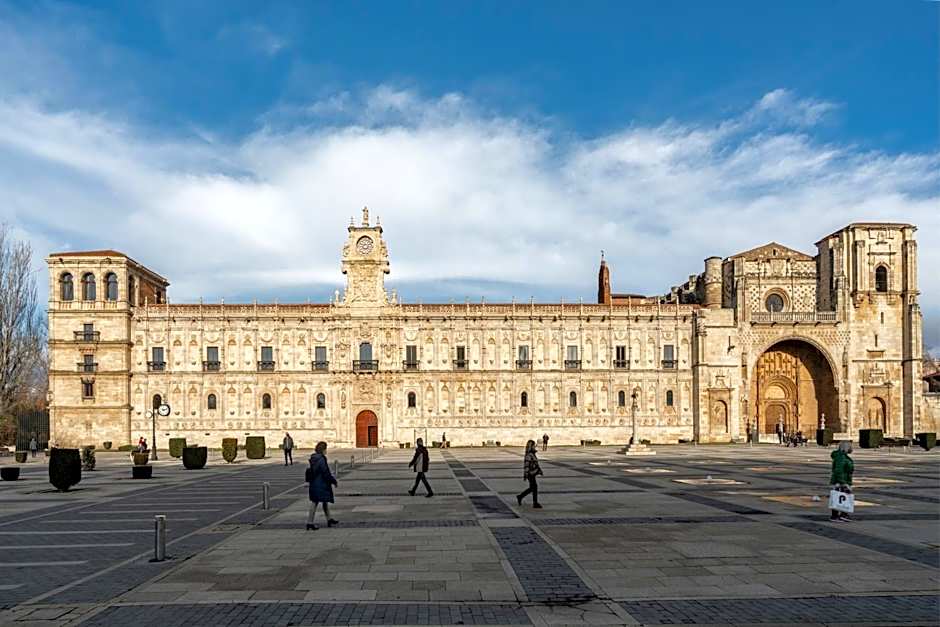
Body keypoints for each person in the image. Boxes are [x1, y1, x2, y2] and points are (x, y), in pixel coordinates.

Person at [306, 441, 338, 530]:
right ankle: (310, 522)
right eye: (325, 449)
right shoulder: (321, 459)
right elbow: (325, 472)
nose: (326, 451)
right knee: (315, 502)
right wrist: (333, 481)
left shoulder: (314, 457)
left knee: (324, 501)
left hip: (315, 482)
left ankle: (329, 519)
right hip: (320, 483)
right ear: (323, 449)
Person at [829, 440, 855, 522]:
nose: (852, 448)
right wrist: (843, 483)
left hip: (842, 480)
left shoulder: (841, 456)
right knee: (843, 498)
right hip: (841, 481)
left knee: (838, 498)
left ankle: (837, 516)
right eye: (850, 447)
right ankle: (842, 515)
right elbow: (838, 471)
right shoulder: (841, 457)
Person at [516, 440, 543, 509]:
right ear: (531, 446)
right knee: (534, 487)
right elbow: (526, 465)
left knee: (533, 488)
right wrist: (526, 474)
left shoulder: (532, 454)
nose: (535, 446)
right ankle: (534, 502)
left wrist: (539, 470)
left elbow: (535, 464)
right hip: (530, 474)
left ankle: (521, 497)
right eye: (534, 445)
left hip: (533, 473)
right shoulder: (529, 455)